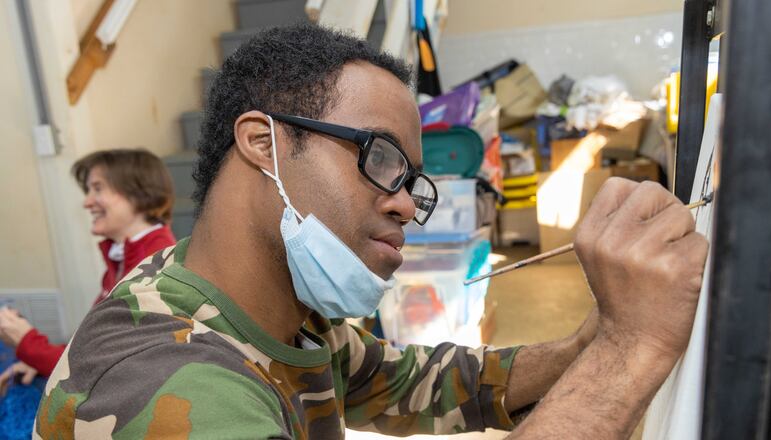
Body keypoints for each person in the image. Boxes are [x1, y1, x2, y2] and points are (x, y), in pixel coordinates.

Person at [34, 25, 707, 439]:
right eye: (381, 158)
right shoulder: (168, 382)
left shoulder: (281, 312)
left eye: (412, 181)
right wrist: (633, 349)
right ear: (263, 144)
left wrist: (590, 341)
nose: (407, 206)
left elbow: (416, 384)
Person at [0, 149, 176, 383]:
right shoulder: (127, 257)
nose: (87, 202)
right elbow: (93, 345)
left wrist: (27, 342)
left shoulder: (154, 265)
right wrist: (38, 359)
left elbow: (100, 367)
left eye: (98, 188)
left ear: (138, 193)